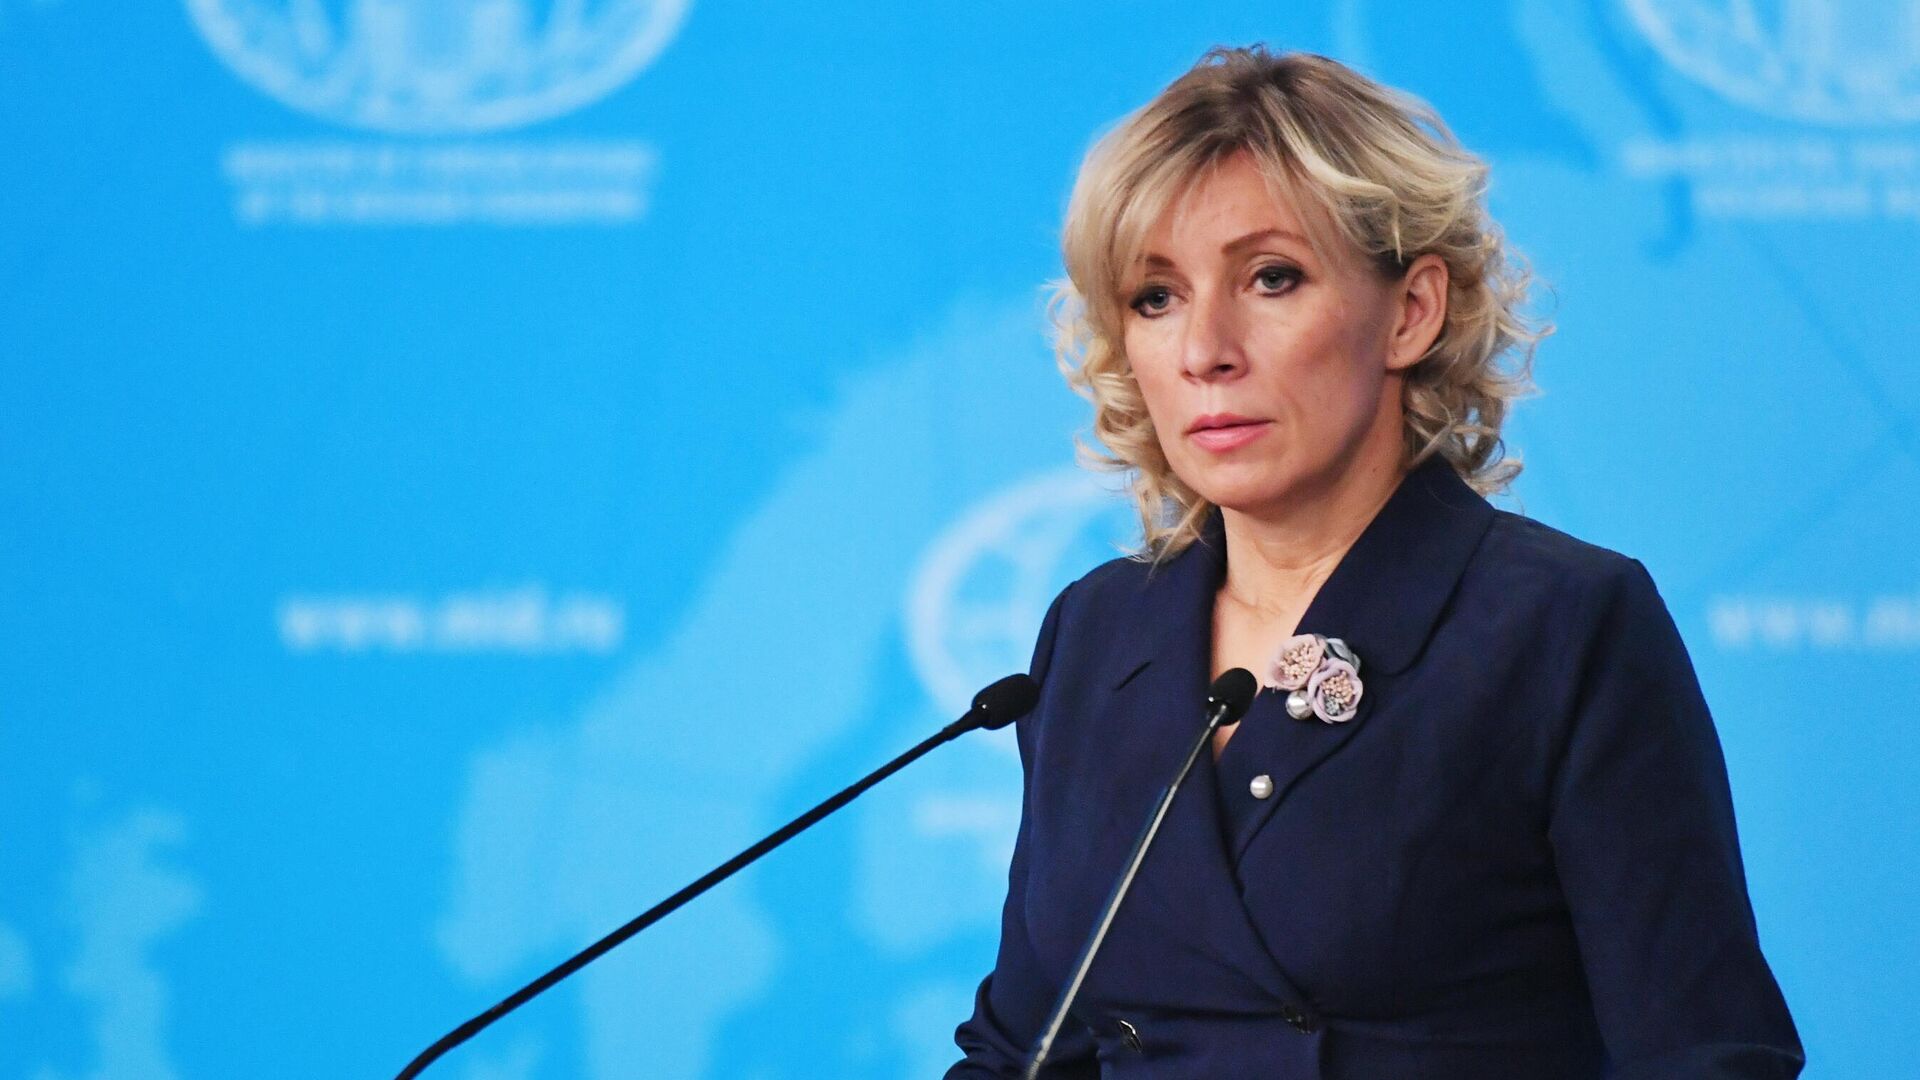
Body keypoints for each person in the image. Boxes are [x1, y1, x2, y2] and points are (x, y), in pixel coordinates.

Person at [945, 45, 1803, 1079]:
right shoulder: (1096, 631)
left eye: (1271, 278)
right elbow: (1023, 1050)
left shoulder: (1563, 624)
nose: (1205, 349)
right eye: (1155, 297)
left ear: (1411, 311)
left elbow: (1705, 1057)